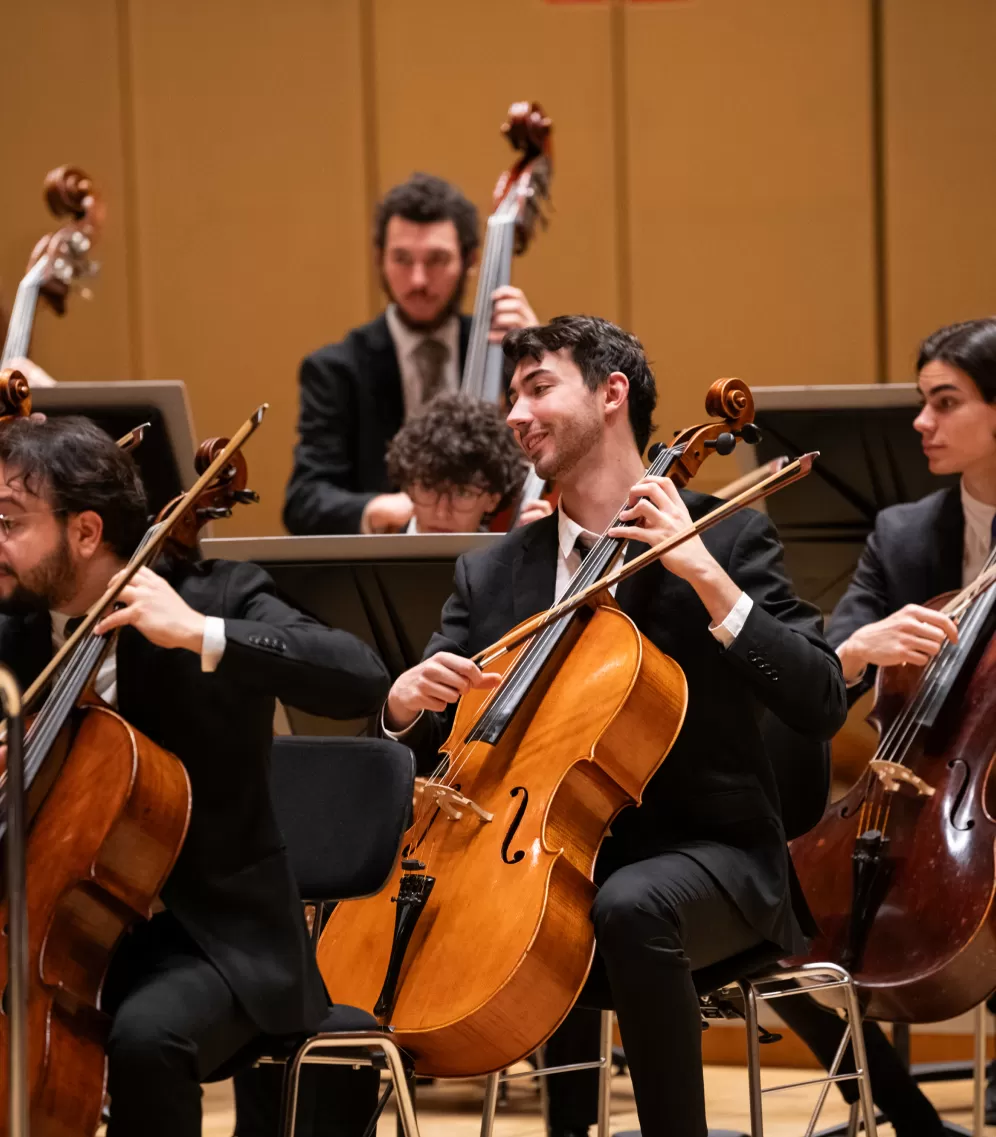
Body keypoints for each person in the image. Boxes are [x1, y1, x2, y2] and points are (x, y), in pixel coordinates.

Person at [376, 315, 847, 1137]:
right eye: (510, 396)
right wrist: (401, 706)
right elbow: (436, 744)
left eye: (537, 387)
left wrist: (705, 578)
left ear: (611, 393)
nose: (515, 415)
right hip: (534, 865)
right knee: (381, 920)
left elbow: (820, 697)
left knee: (627, 907)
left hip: (713, 860)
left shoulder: (725, 533)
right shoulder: (493, 571)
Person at [0, 415, 391, 1137]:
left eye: (8, 523)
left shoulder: (214, 596)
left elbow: (358, 677)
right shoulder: (20, 631)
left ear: (85, 531)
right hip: (66, 932)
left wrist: (199, 634)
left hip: (220, 937)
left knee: (148, 1037)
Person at [773, 317, 996, 1135]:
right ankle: (907, 1117)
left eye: (946, 402)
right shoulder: (903, 533)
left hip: (983, 802)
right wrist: (862, 646)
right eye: (920, 402)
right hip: (910, 791)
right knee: (778, 924)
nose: (921, 422)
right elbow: (828, 658)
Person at [283, 173, 539, 537]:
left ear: (470, 260)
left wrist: (539, 360)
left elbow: (565, 462)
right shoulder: (337, 370)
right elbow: (304, 501)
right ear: (380, 260)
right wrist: (386, 509)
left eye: (437, 260)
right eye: (402, 259)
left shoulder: (506, 351)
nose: (418, 280)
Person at [384, 392, 550, 532]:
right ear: (409, 489)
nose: (441, 513)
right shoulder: (371, 561)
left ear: (493, 499)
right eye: (428, 488)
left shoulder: (510, 564)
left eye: (462, 493)